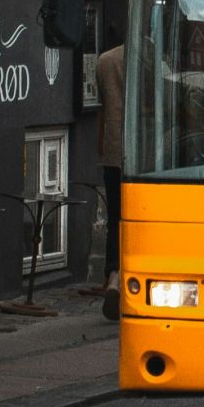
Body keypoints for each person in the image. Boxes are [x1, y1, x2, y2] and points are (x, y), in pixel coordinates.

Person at [93, 40, 126, 321]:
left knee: (115, 217)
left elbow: (103, 103)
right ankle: (127, 278)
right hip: (143, 156)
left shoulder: (105, 59)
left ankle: (112, 275)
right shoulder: (153, 58)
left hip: (113, 151)